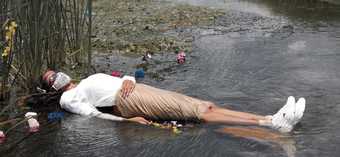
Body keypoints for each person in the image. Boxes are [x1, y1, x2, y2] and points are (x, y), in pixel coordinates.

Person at [37, 70, 305, 133]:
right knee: (200, 111)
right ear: (52, 87)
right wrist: (125, 119)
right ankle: (271, 123)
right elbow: (92, 114)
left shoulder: (84, 80)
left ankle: (271, 119)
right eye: (52, 79)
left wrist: (129, 77)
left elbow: (115, 77)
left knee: (206, 105)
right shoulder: (67, 98)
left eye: (55, 71)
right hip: (129, 102)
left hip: (136, 89)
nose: (57, 76)